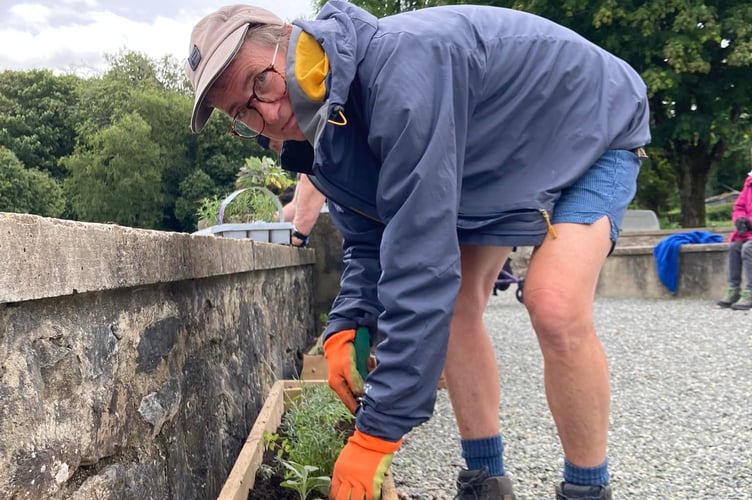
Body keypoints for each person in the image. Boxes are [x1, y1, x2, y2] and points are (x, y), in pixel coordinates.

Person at [185, 3, 650, 499]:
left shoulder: (401, 71)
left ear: (294, 42)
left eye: (261, 83)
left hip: (588, 124)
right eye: (243, 112)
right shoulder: (323, 135)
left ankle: (585, 489)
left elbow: (420, 261)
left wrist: (377, 433)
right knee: (456, 308)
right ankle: (484, 480)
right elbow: (370, 239)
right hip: (494, 158)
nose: (268, 114)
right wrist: (347, 323)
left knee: (553, 303)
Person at [257, 135, 327, 247]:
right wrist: (268, 222)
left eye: (276, 146)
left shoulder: (312, 149)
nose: (280, 153)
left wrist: (298, 234)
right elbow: (296, 205)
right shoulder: (303, 162)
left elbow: (314, 181)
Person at [717, 173, 752, 310]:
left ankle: (750, 290)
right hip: (749, 231)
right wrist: (739, 220)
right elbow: (739, 207)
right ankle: (734, 288)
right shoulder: (749, 183)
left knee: (748, 248)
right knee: (734, 247)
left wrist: (749, 222)